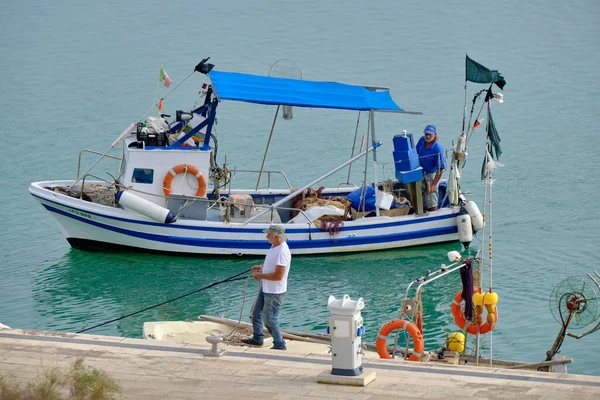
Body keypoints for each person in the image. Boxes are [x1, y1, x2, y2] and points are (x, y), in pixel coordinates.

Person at [241, 225, 291, 350]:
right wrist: (261, 267)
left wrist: (260, 276)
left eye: (268, 234)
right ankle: (257, 338)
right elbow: (271, 264)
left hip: (275, 292)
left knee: (270, 319)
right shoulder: (274, 246)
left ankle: (280, 345)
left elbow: (279, 276)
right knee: (255, 313)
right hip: (266, 288)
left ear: (276, 236)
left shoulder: (282, 251)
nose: (266, 236)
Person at [416, 124, 445, 211]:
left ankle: (435, 215)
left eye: (430, 134)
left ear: (435, 134)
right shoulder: (422, 140)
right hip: (421, 173)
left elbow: (440, 168)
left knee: (432, 201)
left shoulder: (437, 149)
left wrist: (434, 184)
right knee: (423, 200)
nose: (427, 136)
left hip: (431, 175)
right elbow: (415, 152)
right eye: (426, 134)